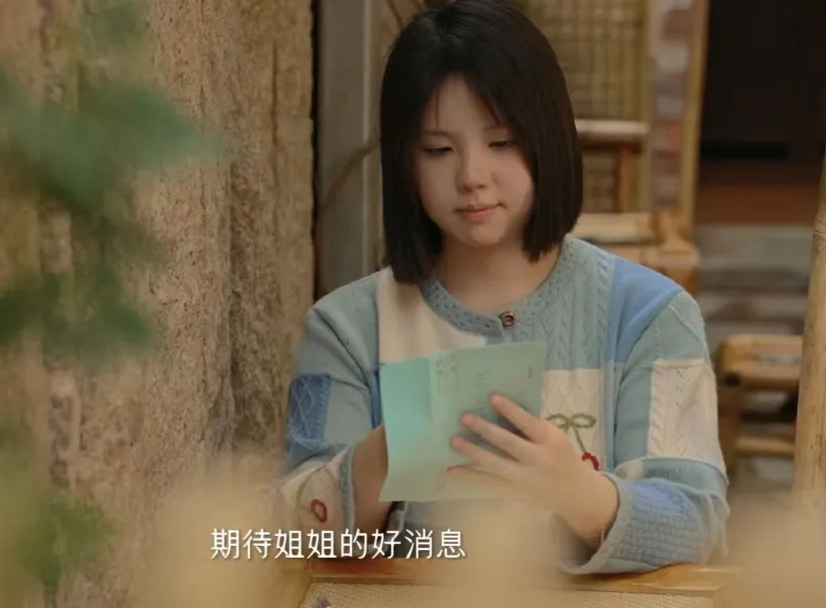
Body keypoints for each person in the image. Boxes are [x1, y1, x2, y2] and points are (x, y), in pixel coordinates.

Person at [274, 0, 728, 574]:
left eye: (502, 142)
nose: (472, 177)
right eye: (438, 150)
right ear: (403, 163)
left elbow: (698, 523)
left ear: (549, 139)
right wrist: (387, 455)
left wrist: (578, 493)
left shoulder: (650, 316)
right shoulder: (348, 328)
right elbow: (282, 537)